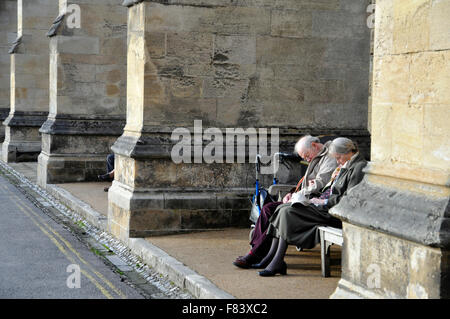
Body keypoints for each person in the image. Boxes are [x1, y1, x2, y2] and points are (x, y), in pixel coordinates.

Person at [257, 137, 367, 276]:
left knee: (287, 212)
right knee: (281, 209)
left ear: (348, 152)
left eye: (339, 158)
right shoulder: (347, 163)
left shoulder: (359, 166)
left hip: (333, 211)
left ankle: (277, 260)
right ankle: (273, 257)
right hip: (326, 206)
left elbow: (349, 200)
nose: (337, 161)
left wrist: (323, 202)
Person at [233, 135, 338, 269]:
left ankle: (255, 254)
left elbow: (320, 183)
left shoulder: (329, 157)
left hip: (311, 203)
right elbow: (307, 184)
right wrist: (292, 193)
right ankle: (256, 251)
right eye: (304, 158)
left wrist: (297, 195)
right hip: (303, 199)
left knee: (276, 211)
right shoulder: (318, 155)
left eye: (306, 156)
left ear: (314, 145)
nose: (306, 159)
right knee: (268, 208)